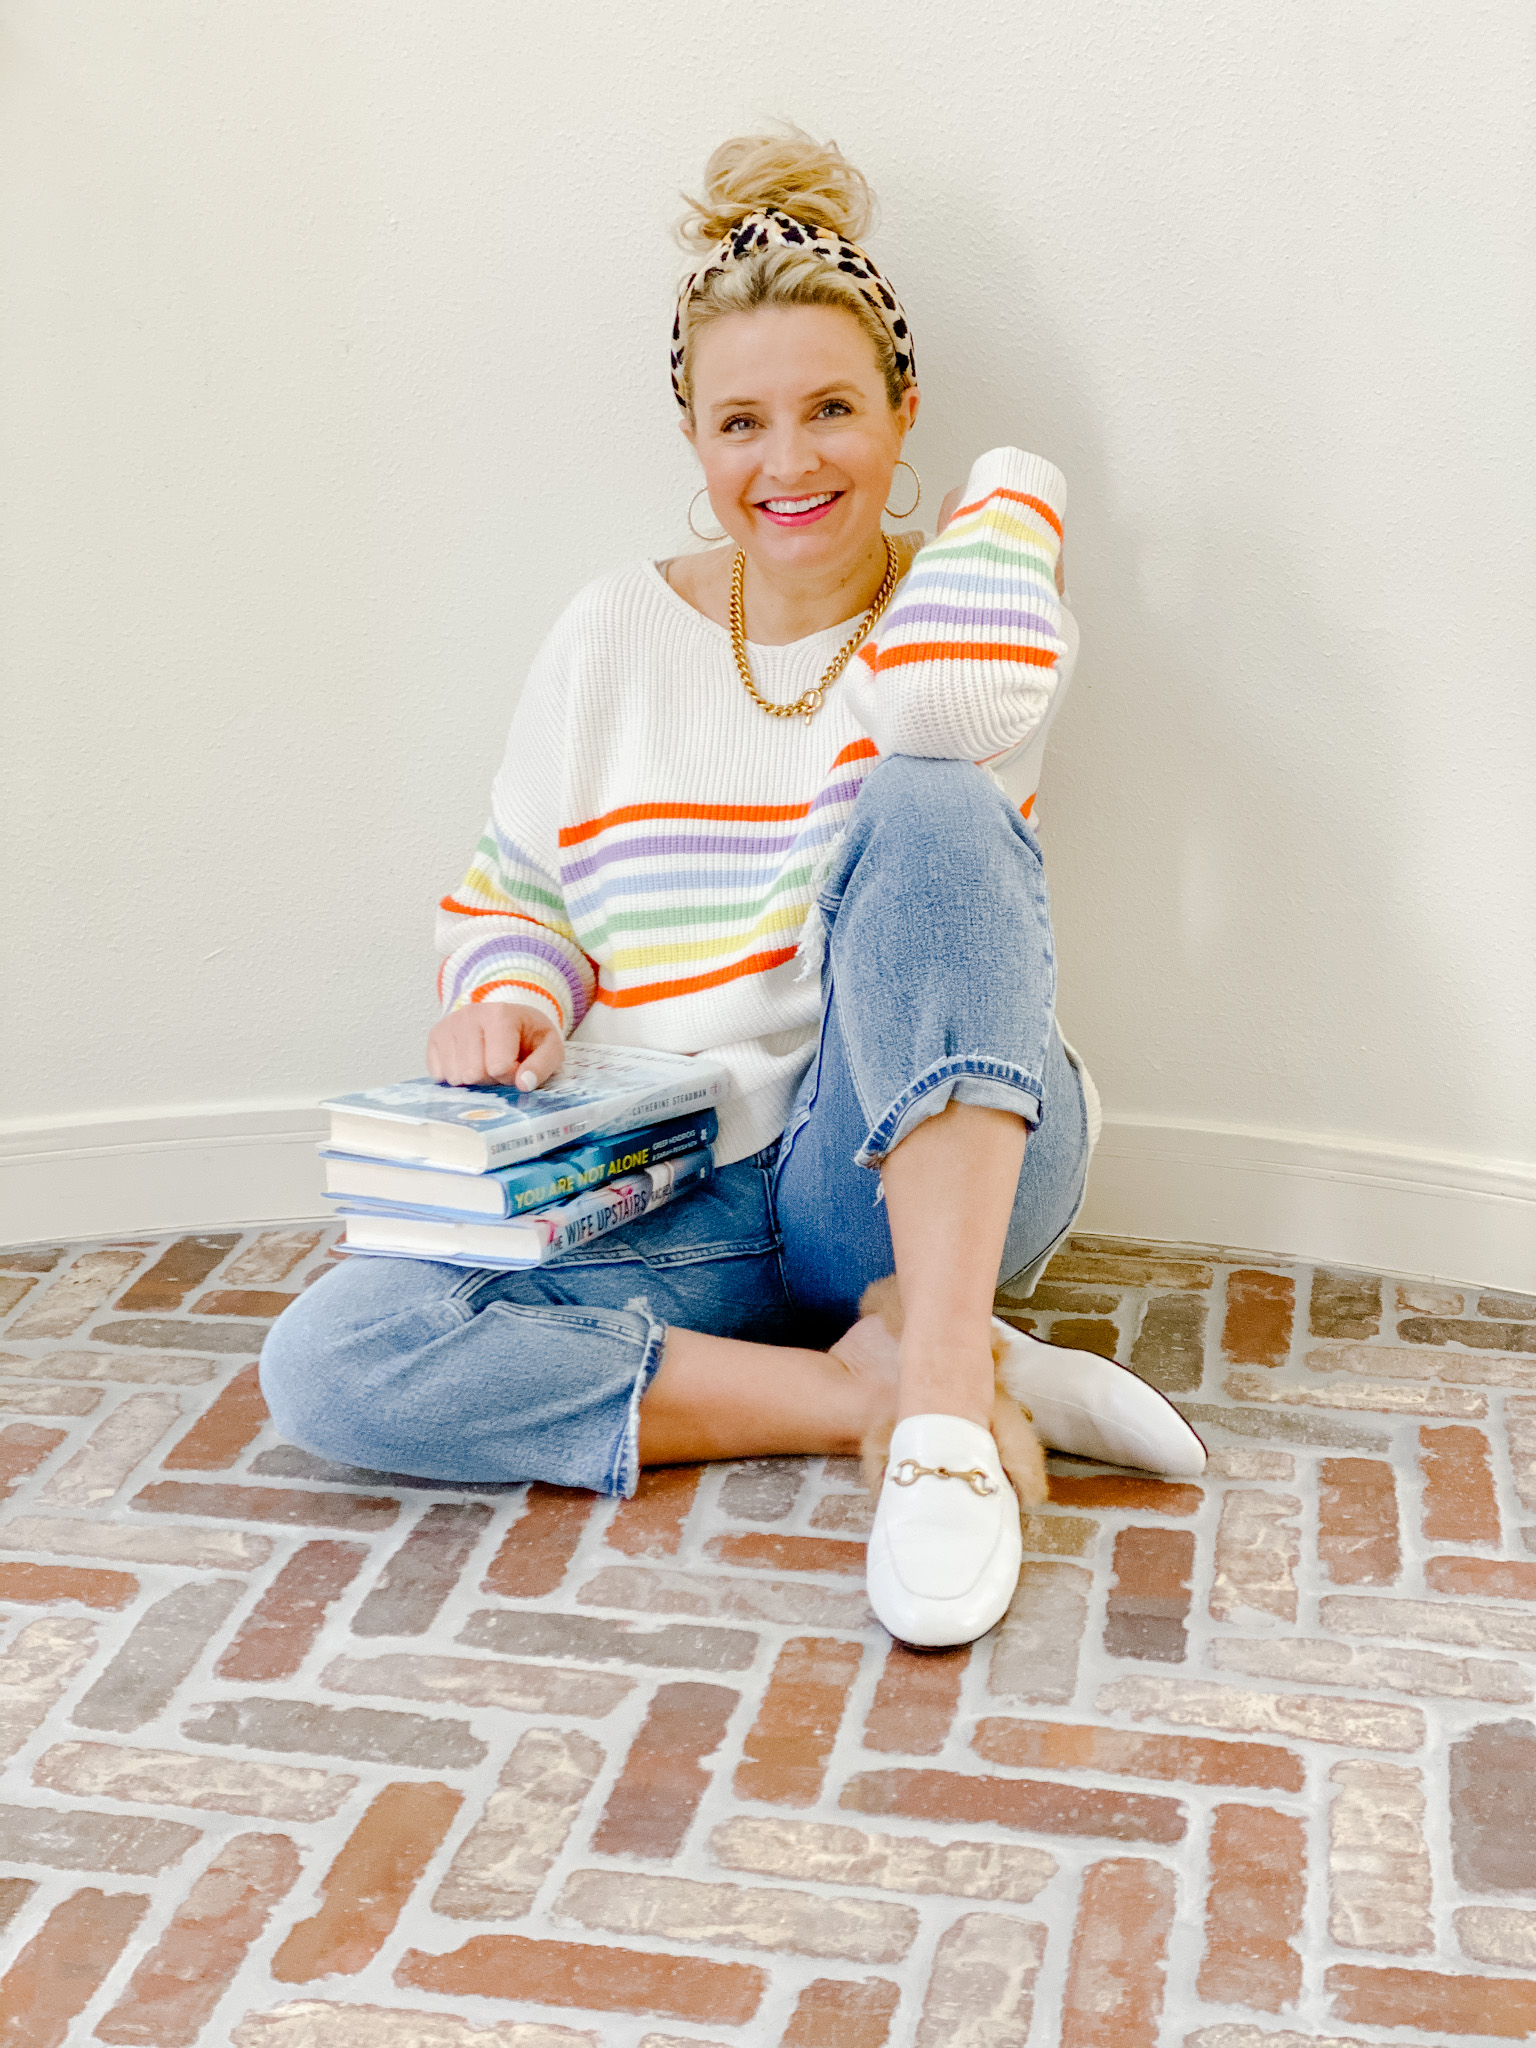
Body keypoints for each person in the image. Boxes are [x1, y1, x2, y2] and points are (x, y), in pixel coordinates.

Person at [260, 129, 1203, 1648]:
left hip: (901, 1156)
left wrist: (1009, 507)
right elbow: (519, 895)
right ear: (693, 443)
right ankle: (888, 1383)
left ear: (905, 415)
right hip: (672, 1184)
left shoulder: (964, 631)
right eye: (740, 420)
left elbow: (955, 849)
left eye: (835, 409)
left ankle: (939, 1395)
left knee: (929, 797)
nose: (789, 462)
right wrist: (507, 1001)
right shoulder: (608, 635)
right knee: (336, 1358)